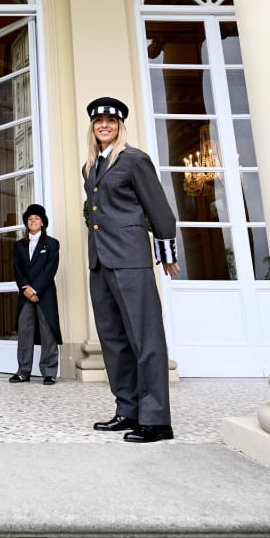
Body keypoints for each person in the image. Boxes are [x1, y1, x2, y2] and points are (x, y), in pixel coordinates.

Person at [83, 96, 181, 444]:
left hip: (131, 259)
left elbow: (159, 208)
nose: (104, 126)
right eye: (98, 122)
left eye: (110, 121)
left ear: (120, 125)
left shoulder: (134, 159)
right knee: (114, 340)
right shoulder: (91, 166)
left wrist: (166, 251)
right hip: (100, 261)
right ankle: (128, 410)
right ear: (92, 128)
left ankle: (156, 421)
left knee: (145, 338)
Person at [9, 204, 62, 385]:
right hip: (26, 296)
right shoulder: (19, 246)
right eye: (30, 219)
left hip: (44, 294)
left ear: (42, 223)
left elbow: (50, 269)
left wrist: (35, 289)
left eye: (36, 218)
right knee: (24, 332)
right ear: (26, 223)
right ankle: (23, 371)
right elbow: (17, 270)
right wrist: (26, 289)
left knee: (48, 332)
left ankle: (49, 372)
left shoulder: (52, 244)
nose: (33, 221)